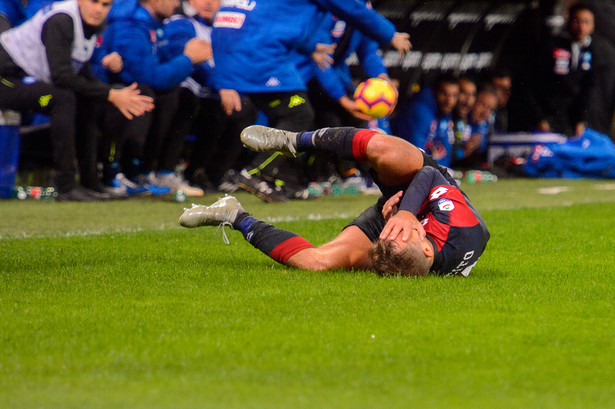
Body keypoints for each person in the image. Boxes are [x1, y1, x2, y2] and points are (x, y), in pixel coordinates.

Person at [179, 125, 490, 277]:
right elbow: (429, 176)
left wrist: (392, 226)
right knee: (388, 153)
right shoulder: (462, 227)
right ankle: (294, 140)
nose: (391, 230)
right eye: (397, 232)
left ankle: (233, 214)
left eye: (389, 234)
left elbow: (393, 252)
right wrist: (407, 213)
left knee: (317, 263)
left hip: (406, 215)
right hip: (426, 183)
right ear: (425, 244)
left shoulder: (406, 260)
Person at [211, 0, 411, 203]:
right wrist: (390, 34)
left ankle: (288, 182)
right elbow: (352, 9)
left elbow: (280, 24)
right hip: (264, 62)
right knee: (299, 113)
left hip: (260, 57)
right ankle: (253, 172)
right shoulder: (343, 9)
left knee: (304, 118)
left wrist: (310, 47)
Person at [0, 0, 154, 201]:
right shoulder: (62, 19)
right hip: (5, 80)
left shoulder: (90, 25)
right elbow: (61, 76)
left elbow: (82, 74)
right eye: (94, 2)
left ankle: (91, 182)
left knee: (89, 101)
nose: (99, 9)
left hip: (27, 81)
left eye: (105, 5)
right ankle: (65, 185)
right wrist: (110, 94)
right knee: (62, 99)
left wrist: (113, 93)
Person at [95, 0, 211, 196]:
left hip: (127, 92)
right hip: (106, 96)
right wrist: (188, 59)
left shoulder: (152, 25)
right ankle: (122, 172)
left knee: (183, 97)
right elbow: (149, 77)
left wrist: (191, 58)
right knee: (145, 94)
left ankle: (156, 173)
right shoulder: (131, 26)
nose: (177, 3)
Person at [527, 2, 595, 136]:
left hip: (570, 122)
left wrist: (580, 120)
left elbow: (588, 89)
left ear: (592, 26)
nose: (581, 27)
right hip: (547, 118)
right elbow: (531, 83)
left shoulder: (590, 51)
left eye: (586, 22)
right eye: (577, 21)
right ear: (568, 20)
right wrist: (539, 117)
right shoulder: (551, 45)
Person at [392, 74, 459, 168]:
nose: (449, 100)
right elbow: (416, 152)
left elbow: (445, 149)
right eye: (444, 94)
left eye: (454, 95)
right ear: (434, 92)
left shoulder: (444, 111)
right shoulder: (419, 111)